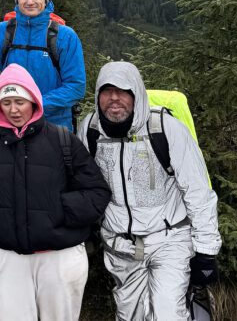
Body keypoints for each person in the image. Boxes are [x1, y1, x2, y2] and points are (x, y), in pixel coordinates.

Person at [0, 63, 110, 321]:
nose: (13, 110)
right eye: (7, 102)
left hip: (60, 256)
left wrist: (58, 211)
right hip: (11, 257)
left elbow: (97, 191)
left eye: (20, 101)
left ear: (34, 101)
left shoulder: (62, 140)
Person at [77, 61, 221, 320]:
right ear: (98, 95)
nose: (114, 99)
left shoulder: (165, 128)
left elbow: (197, 190)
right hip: (120, 244)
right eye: (107, 91)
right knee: (129, 315)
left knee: (168, 313)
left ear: (137, 94)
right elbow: (84, 184)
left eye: (123, 91)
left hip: (170, 239)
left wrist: (206, 250)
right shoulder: (90, 130)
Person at [0, 0, 85, 130]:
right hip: (10, 123)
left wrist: (37, 104)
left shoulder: (65, 36)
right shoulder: (0, 32)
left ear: (46, 0)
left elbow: (76, 86)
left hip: (53, 124)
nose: (30, 1)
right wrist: (15, 107)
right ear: (17, 0)